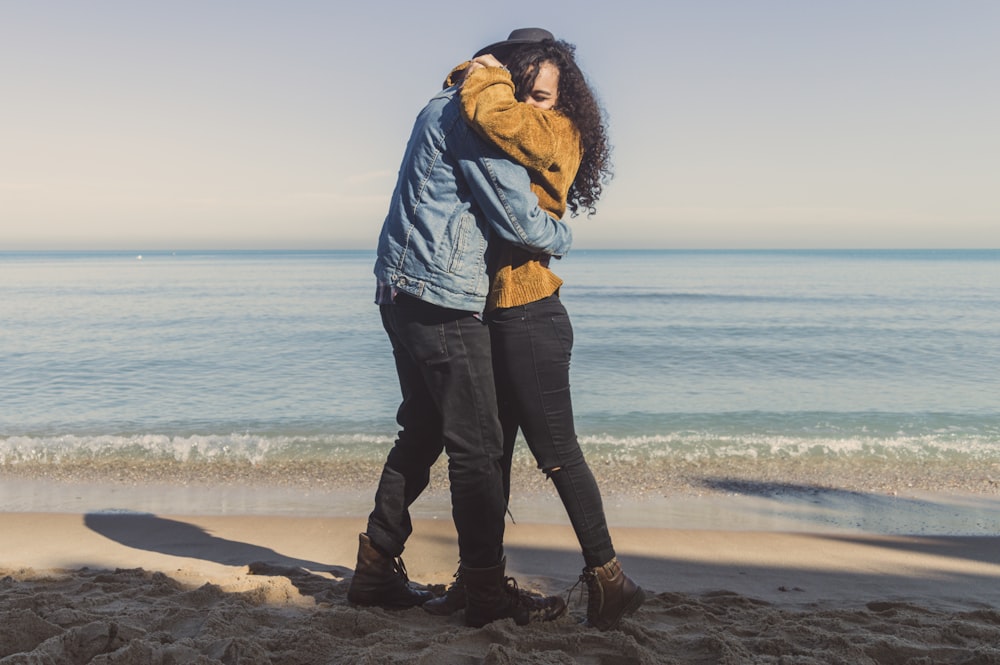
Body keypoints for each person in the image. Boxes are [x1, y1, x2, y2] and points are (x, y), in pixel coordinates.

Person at [345, 36, 573, 629]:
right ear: (512, 83)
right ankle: (485, 593)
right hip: (442, 298)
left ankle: (374, 567)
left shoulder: (438, 103)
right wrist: (564, 237)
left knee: (422, 428)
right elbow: (517, 218)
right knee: (478, 447)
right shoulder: (478, 121)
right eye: (536, 96)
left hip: (397, 288)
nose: (538, 113)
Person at [422, 29, 645, 631]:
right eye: (527, 92)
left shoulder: (556, 130)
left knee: (558, 455)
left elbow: (491, 112)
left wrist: (479, 72)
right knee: (488, 459)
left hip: (530, 314)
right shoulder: (515, 124)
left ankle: (610, 579)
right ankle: (478, 583)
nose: (532, 106)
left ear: (563, 99)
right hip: (490, 313)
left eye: (543, 96)